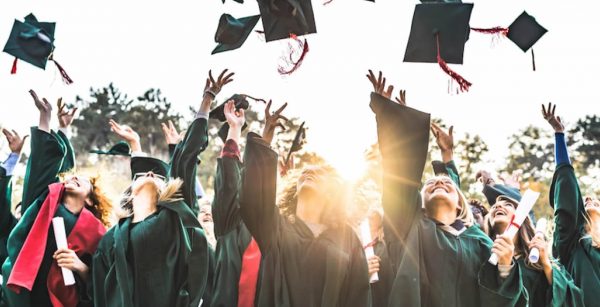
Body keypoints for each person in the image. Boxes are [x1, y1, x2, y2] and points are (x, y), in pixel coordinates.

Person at [366, 70, 523, 307]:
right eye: (430, 184)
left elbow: (497, 298)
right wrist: (392, 119)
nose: (439, 182)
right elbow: (399, 179)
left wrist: (504, 266)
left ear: (461, 203)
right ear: (419, 200)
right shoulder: (408, 226)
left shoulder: (479, 241)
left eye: (447, 184)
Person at [92, 69, 233, 307]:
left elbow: (185, 160)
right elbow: (100, 294)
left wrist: (206, 100)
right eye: (143, 174)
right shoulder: (111, 240)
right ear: (131, 189)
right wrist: (134, 145)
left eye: (157, 176)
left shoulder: (175, 217)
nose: (149, 174)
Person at [239, 100, 370, 306]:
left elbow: (358, 296)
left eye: (319, 174)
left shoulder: (347, 238)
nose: (309, 172)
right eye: (305, 173)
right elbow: (254, 196)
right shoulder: (275, 227)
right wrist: (266, 139)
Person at [2, 90, 110, 307]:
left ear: (90, 200)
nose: (76, 177)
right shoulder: (45, 203)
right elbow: (44, 164)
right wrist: (46, 116)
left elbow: (105, 282)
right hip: (23, 295)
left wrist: (80, 266)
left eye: (84, 181)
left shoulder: (97, 233)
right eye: (75, 176)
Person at [542, 102, 600, 306]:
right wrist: (559, 135)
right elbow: (567, 189)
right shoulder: (571, 243)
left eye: (597, 201)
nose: (590, 199)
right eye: (584, 200)